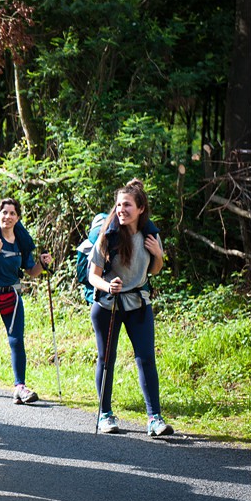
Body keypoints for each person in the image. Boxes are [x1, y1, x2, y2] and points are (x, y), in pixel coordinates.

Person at [88, 179, 173, 436]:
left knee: (146, 358)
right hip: (108, 306)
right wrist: (107, 286)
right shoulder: (108, 235)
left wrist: (158, 254)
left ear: (140, 208)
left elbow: (153, 271)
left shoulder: (150, 235)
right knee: (106, 359)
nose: (121, 209)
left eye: (127, 205)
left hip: (138, 304)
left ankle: (154, 418)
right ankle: (105, 414)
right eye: (118, 205)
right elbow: (93, 276)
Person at [0, 198, 52, 403]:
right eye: (4, 212)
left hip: (11, 296)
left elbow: (31, 272)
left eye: (12, 213)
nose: (8, 217)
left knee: (16, 340)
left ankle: (20, 387)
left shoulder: (20, 241)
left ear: (18, 217)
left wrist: (41, 263)